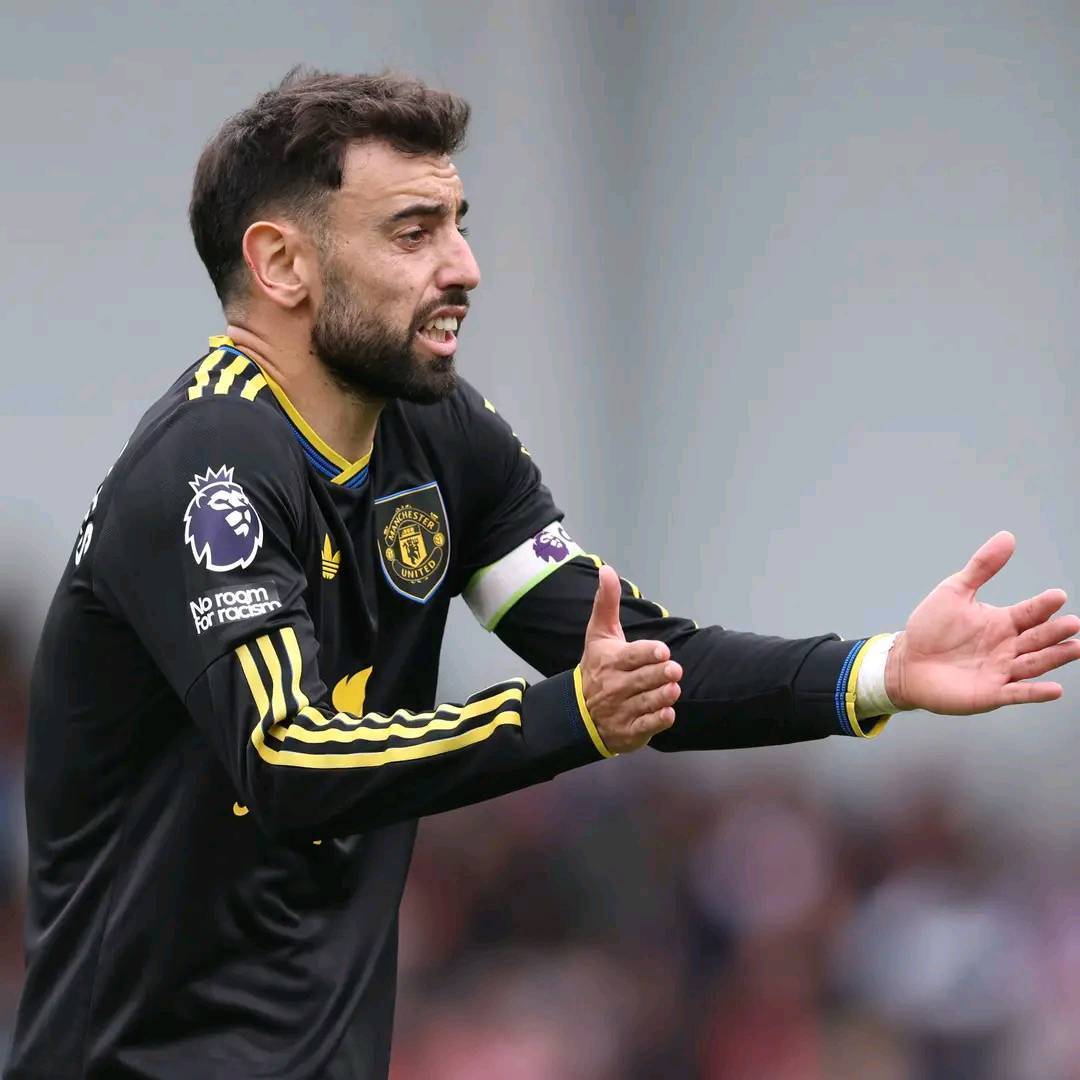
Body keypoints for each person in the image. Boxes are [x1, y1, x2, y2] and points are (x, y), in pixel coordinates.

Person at [7, 67, 1078, 1080]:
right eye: (413, 232)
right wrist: (567, 717)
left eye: (459, 224)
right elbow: (288, 757)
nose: (464, 267)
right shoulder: (209, 466)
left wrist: (884, 669)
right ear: (283, 264)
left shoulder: (442, 439)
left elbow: (635, 663)